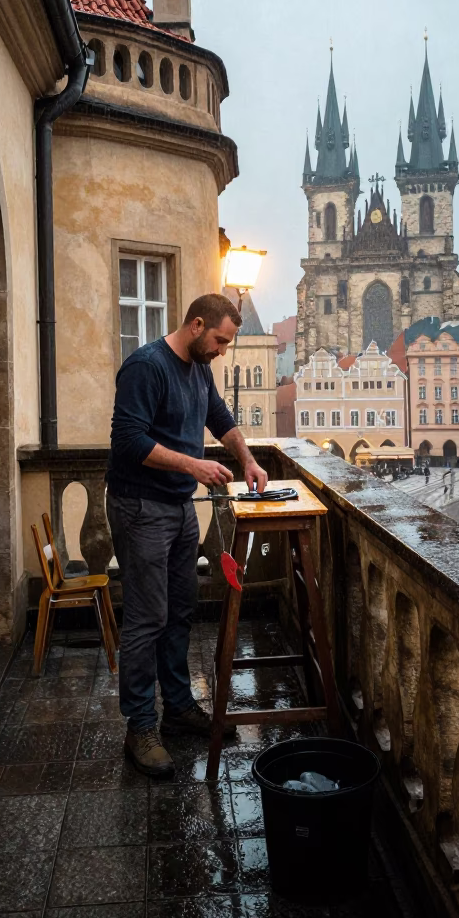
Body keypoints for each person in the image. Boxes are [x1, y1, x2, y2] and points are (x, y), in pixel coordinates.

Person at [106, 293, 268, 778]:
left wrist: (247, 459)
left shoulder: (199, 368)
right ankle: (140, 727)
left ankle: (176, 708)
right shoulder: (146, 367)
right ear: (197, 325)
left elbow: (220, 419)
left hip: (178, 507)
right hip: (140, 507)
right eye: (219, 340)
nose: (222, 350)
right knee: (145, 618)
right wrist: (195, 464)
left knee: (180, 611)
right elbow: (128, 440)